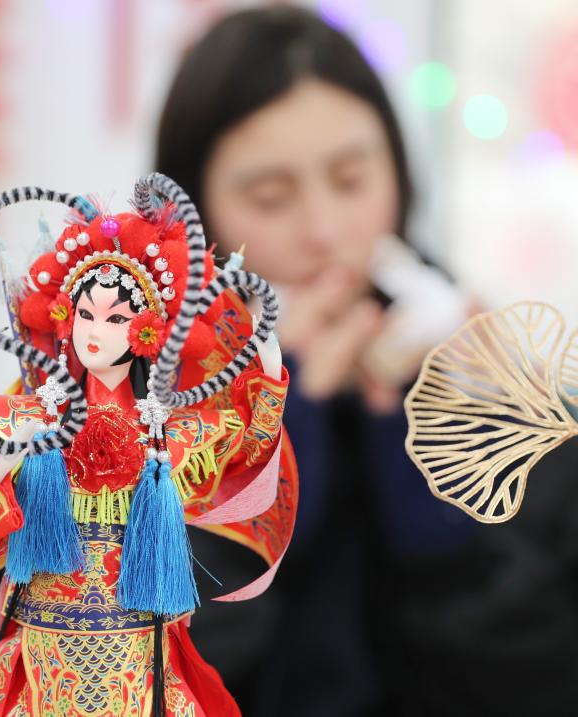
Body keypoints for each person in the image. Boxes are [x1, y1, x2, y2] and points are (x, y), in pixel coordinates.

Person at [155, 6, 578, 716]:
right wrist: (250, 476)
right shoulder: (114, 406)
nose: (325, 231)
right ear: (195, 219)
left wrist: (458, 525)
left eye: (352, 181)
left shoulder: (503, 387)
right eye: (270, 197)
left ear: (400, 179)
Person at [0, 174, 297, 716]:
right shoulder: (21, 417)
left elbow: (249, 454)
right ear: (64, 315)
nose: (95, 330)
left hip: (137, 650)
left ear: (148, 330)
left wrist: (267, 375)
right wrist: (5, 464)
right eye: (85, 314)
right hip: (43, 648)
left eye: (115, 318)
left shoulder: (169, 431)